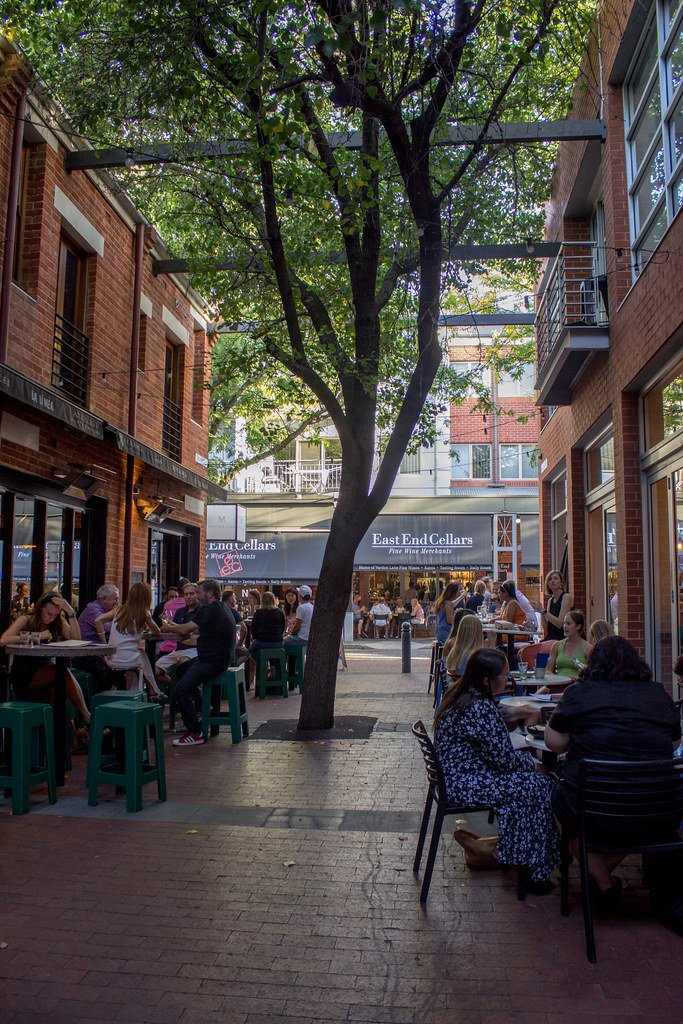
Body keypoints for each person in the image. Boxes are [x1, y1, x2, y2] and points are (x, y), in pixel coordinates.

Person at [546, 635, 681, 898]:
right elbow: (674, 742)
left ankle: (602, 882)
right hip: (658, 807)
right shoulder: (658, 693)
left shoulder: (579, 694)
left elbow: (554, 742)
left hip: (592, 806)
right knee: (627, 820)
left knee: (565, 810)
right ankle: (603, 882)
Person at [434, 647, 559, 890]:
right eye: (503, 676)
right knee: (540, 787)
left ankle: (518, 856)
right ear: (486, 680)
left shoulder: (465, 697)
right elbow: (504, 761)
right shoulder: (480, 707)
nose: (508, 680)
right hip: (464, 784)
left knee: (529, 787)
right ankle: (534, 869)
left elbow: (493, 749)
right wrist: (534, 765)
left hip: (456, 779)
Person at [162, 578, 236, 746]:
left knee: (180, 690)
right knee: (181, 669)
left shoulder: (209, 610)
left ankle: (195, 732)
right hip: (219, 659)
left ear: (209, 594)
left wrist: (168, 627)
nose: (196, 596)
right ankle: (203, 707)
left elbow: (185, 629)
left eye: (198, 592)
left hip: (211, 661)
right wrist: (175, 627)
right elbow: (187, 629)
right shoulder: (221, 607)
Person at [1, 591, 91, 724]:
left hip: (46, 671)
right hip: (25, 673)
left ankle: (55, 737)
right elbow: (3, 640)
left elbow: (77, 640)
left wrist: (70, 613)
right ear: (41, 608)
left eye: (55, 615)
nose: (51, 618)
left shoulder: (57, 623)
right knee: (63, 672)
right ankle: (86, 716)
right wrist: (35, 636)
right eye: (49, 614)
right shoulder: (26, 620)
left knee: (59, 691)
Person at [95, 582, 164, 698]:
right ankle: (152, 690)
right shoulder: (144, 613)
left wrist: (105, 646)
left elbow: (98, 621)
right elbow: (157, 631)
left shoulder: (118, 611)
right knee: (142, 656)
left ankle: (149, 689)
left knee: (140, 657)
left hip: (111, 659)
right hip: (130, 660)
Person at [154, 581, 201, 687]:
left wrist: (173, 628)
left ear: (197, 594)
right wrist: (173, 627)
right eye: (186, 594)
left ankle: (183, 691)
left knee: (183, 664)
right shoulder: (180, 611)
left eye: (191, 594)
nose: (188, 597)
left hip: (195, 651)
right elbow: (176, 631)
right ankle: (178, 688)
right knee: (154, 671)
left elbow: (198, 639)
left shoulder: (202, 611)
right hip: (178, 649)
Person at [76, 583, 121, 690]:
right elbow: (107, 628)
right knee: (108, 673)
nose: (117, 603)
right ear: (104, 598)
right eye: (115, 599)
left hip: (99, 652)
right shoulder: (93, 609)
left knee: (124, 670)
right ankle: (98, 701)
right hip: (86, 654)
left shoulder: (105, 611)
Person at [546, 610, 593, 679]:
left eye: (568, 624)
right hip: (558, 682)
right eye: (564, 623)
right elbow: (548, 670)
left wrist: (576, 678)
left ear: (578, 626)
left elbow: (591, 673)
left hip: (577, 684)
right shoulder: (557, 645)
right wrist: (558, 678)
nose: (564, 626)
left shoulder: (588, 648)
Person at [532, 570, 573, 642]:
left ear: (561, 582)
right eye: (550, 579)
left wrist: (543, 611)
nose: (552, 581)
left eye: (555, 578)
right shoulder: (550, 601)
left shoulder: (566, 597)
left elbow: (560, 623)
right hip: (551, 637)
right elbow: (547, 628)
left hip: (561, 638)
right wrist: (540, 611)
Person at [445, 615, 490, 679]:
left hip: (457, 686)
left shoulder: (454, 652)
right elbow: (491, 673)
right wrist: (492, 645)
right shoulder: (475, 656)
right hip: (472, 686)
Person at [249, 590, 285, 659]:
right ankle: (273, 665)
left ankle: (260, 665)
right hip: (278, 642)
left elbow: (253, 629)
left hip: (262, 641)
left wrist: (255, 637)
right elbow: (282, 627)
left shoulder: (259, 612)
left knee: (251, 650)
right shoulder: (279, 612)